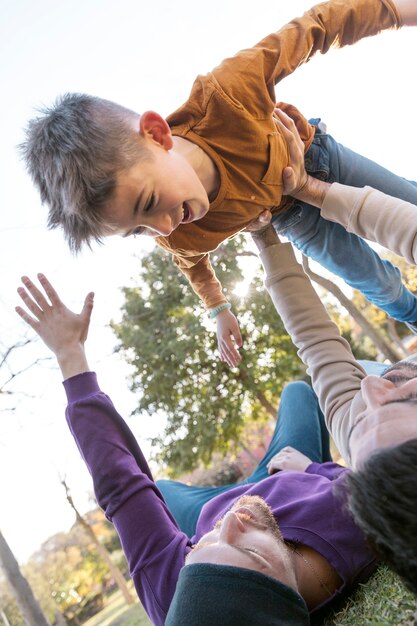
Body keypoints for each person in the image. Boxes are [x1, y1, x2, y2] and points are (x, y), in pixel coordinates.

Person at [21, 0, 417, 368]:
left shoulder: (227, 95)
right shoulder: (179, 237)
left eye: (150, 202)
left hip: (321, 161)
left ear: (157, 135)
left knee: (409, 210)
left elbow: (316, 27)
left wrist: (396, 12)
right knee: (379, 284)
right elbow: (195, 269)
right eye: (137, 231)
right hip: (295, 218)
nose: (163, 227)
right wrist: (219, 310)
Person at [16, 275, 381, 625]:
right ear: (287, 601)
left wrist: (70, 355)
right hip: (286, 473)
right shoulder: (357, 524)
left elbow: (120, 485)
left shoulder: (177, 601)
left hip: (207, 507)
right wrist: (311, 469)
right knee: (298, 393)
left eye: (198, 550)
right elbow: (354, 479)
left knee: (163, 491)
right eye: (249, 552)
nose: (232, 522)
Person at [250, 110, 417, 593]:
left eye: (366, 423)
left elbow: (317, 341)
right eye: (405, 402)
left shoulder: (360, 434)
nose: (371, 391)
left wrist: (265, 239)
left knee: (360, 373)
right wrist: (313, 190)